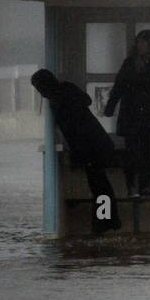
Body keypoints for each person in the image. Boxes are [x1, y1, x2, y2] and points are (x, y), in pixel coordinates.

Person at [30, 69, 121, 234]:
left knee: (99, 186)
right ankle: (106, 221)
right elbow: (87, 100)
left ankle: (105, 222)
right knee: (100, 185)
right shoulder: (66, 90)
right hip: (96, 143)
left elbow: (72, 121)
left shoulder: (57, 100)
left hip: (90, 147)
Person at [104, 30, 150, 197]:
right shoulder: (130, 63)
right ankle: (132, 187)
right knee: (132, 153)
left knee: (147, 153)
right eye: (139, 42)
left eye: (143, 42)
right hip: (133, 113)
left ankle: (143, 187)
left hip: (147, 114)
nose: (139, 45)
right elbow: (119, 86)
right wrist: (110, 107)